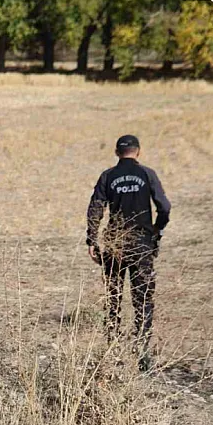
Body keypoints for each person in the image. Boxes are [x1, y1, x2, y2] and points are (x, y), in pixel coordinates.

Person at [86, 135, 171, 371]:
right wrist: (157, 229)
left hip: (115, 245)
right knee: (142, 298)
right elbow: (164, 206)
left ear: (116, 152)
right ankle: (142, 353)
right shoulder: (147, 174)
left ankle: (112, 349)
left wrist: (92, 239)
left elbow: (95, 207)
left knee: (113, 298)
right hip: (142, 244)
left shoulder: (108, 176)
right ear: (138, 152)